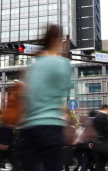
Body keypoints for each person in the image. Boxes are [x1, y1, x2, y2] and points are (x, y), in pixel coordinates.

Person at [22, 25, 72, 171]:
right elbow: (64, 91)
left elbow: (27, 95)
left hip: (30, 128)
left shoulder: (33, 64)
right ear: (55, 40)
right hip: (51, 127)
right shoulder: (62, 64)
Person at [93, 105, 108, 171]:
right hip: (103, 141)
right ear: (105, 109)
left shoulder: (96, 117)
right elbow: (106, 130)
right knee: (104, 158)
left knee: (100, 158)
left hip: (97, 141)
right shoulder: (104, 116)